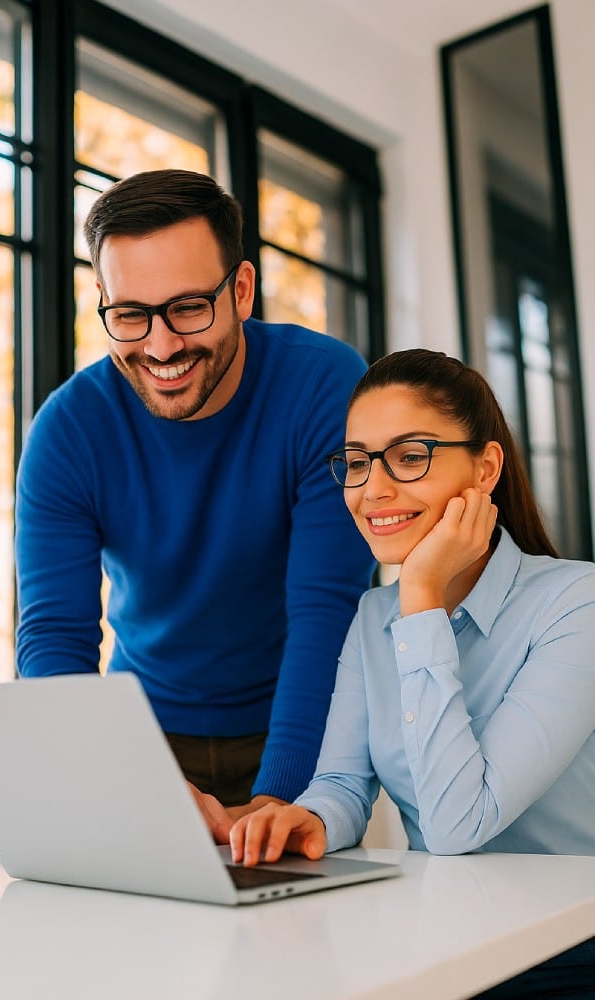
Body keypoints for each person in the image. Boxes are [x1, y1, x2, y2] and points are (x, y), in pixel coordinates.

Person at [14, 168, 374, 839]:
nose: (160, 345)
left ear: (240, 290)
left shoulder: (325, 387)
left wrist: (280, 796)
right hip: (143, 735)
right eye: (129, 315)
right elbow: (54, 640)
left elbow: (324, 612)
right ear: (101, 300)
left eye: (186, 308)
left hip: (304, 721)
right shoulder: (67, 431)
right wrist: (122, 773)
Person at [230, 348, 595, 998]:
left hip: (569, 953)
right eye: (356, 461)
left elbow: (457, 827)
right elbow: (343, 781)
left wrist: (420, 593)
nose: (372, 489)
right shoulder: (375, 615)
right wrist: (305, 820)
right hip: (445, 940)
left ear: (484, 468)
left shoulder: (576, 605)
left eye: (408, 456)